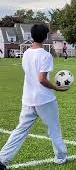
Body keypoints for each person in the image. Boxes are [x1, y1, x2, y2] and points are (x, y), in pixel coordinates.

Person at [0, 24, 69, 170]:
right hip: (44, 100)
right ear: (45, 37)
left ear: (32, 36)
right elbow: (42, 79)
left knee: (20, 130)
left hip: (28, 98)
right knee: (54, 129)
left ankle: (2, 159)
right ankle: (61, 157)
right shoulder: (45, 55)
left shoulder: (26, 53)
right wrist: (58, 88)